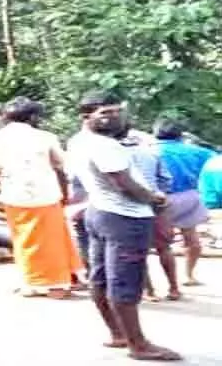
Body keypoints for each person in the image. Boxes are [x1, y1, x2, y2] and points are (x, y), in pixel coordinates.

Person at [68, 91, 180, 361]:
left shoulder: (77, 141)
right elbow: (124, 184)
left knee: (101, 276)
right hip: (125, 218)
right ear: (86, 116)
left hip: (99, 212)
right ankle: (138, 345)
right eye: (105, 113)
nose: (114, 117)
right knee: (125, 281)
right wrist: (155, 199)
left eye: (117, 111)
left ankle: (118, 334)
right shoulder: (106, 146)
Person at [0, 97, 82, 298]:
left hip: (14, 194)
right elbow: (62, 163)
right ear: (33, 117)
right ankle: (58, 284)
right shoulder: (45, 137)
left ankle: (32, 282)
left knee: (23, 240)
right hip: (45, 194)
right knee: (52, 240)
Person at [115, 125, 180, 302]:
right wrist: (159, 194)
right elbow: (166, 179)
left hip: (127, 206)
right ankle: (174, 288)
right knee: (164, 247)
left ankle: (148, 291)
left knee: (138, 250)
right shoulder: (150, 152)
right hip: (156, 202)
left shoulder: (112, 155)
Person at [154, 118, 213, 286]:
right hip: (190, 196)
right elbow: (215, 159)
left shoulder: (150, 151)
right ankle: (189, 275)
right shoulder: (196, 151)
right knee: (191, 237)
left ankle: (167, 283)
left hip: (161, 198)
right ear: (180, 134)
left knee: (162, 243)